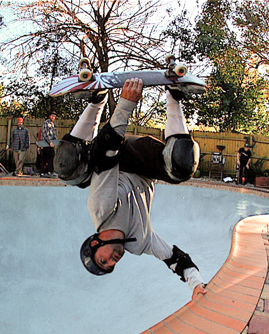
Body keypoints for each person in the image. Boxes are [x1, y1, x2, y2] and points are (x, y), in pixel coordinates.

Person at [54, 79, 207, 299]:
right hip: (144, 166)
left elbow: (105, 154)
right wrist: (196, 284)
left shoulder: (100, 210)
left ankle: (97, 101)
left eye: (103, 260)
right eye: (111, 266)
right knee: (181, 166)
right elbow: (174, 258)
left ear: (95, 243)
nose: (112, 261)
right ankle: (174, 96)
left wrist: (125, 104)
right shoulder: (140, 242)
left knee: (67, 168)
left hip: (120, 159)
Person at [37, 112, 58, 176]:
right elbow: (45, 134)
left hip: (51, 144)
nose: (53, 117)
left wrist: (55, 142)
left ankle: (50, 171)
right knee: (44, 158)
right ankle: (43, 172)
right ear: (50, 116)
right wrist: (49, 142)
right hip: (45, 144)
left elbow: (54, 134)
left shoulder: (53, 124)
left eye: (54, 116)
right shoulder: (46, 123)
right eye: (52, 116)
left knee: (51, 157)